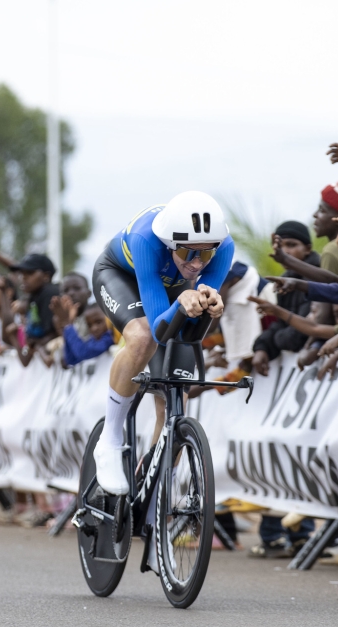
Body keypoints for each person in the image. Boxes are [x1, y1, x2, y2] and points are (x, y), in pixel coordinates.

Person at [90, 191, 233, 497]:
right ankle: (110, 439)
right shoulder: (147, 241)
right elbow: (157, 330)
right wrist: (183, 301)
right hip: (122, 277)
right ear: (169, 246)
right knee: (141, 338)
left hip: (172, 291)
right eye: (187, 254)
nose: (196, 264)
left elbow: (191, 326)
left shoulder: (224, 247)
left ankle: (154, 496)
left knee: (175, 397)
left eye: (205, 255)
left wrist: (210, 303)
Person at [250, 222, 319, 376]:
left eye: (292, 245)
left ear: (307, 249)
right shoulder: (285, 280)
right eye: (280, 246)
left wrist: (278, 338)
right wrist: (262, 348)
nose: (285, 251)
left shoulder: (316, 277)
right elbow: (281, 323)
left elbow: (299, 334)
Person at [11, 254, 60, 366]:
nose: (23, 277)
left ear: (46, 276)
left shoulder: (49, 293)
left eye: (29, 273)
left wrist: (35, 344)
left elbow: (54, 334)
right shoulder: (34, 295)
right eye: (21, 273)